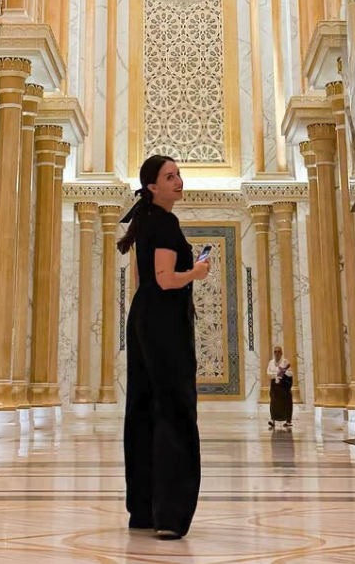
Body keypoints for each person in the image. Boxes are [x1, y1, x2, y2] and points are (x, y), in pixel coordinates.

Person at [119, 155, 209, 541]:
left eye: (178, 175)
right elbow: (165, 280)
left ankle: (144, 508)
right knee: (174, 408)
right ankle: (170, 514)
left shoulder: (146, 222)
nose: (179, 181)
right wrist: (197, 272)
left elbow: (145, 282)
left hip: (144, 318)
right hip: (163, 324)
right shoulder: (165, 223)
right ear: (152, 187)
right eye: (170, 177)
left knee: (143, 409)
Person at [266, 345, 293, 431]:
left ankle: (288, 421)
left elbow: (290, 373)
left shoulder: (285, 362)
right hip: (274, 386)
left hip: (283, 386)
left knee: (286, 402)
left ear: (281, 353)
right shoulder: (271, 362)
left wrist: (283, 372)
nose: (277, 353)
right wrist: (277, 373)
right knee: (274, 402)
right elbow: (268, 373)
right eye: (275, 352)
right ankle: (273, 420)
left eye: (278, 352)